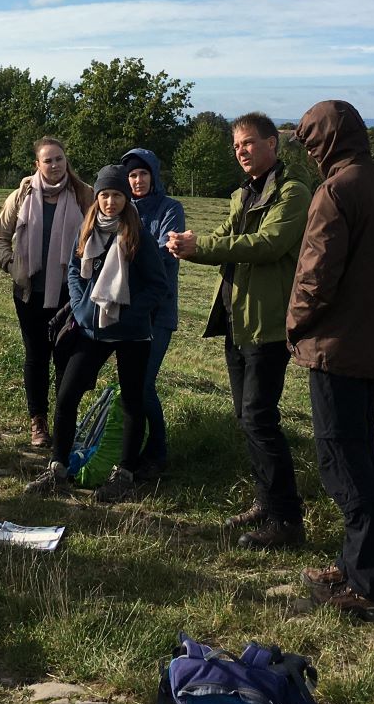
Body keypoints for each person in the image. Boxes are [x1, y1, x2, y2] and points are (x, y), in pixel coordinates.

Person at [166, 113, 310, 549]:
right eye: (236, 146)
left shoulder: (292, 193)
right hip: (237, 319)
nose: (241, 151)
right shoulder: (243, 194)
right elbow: (223, 235)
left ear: (272, 144)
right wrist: (189, 241)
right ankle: (265, 503)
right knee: (247, 420)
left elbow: (267, 246)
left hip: (266, 323)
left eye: (248, 143)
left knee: (261, 419)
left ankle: (287, 520)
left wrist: (199, 247)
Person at [287, 101, 374, 619]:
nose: (310, 152)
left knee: (342, 464)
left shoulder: (334, 191)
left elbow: (315, 276)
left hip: (335, 348)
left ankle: (372, 589)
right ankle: (354, 564)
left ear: (327, 141)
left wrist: (293, 324)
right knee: (362, 456)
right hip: (369, 344)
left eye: (311, 142)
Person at [25, 164, 167, 505]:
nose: (110, 202)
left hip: (132, 334)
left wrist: (127, 312)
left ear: (126, 198)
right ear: (98, 197)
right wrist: (79, 304)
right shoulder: (88, 230)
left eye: (117, 195)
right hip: (92, 330)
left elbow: (158, 285)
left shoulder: (138, 235)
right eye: (104, 195)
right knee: (67, 395)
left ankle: (125, 474)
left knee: (133, 402)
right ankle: (57, 468)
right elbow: (75, 269)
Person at [0, 136, 93, 448]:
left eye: (59, 159)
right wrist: (12, 266)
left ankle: (65, 424)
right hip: (28, 293)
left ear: (66, 161)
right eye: (47, 160)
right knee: (36, 357)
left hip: (69, 294)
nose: (54, 165)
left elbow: (100, 235)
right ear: (37, 164)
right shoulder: (21, 195)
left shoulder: (83, 194)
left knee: (65, 358)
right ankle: (38, 422)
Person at [121, 147, 184, 479]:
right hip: (127, 310)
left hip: (158, 311)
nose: (138, 180)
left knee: (143, 383)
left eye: (143, 173)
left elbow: (164, 256)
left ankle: (158, 453)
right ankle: (131, 448)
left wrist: (124, 264)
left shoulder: (170, 209)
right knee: (131, 384)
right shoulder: (121, 208)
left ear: (154, 176)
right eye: (132, 175)